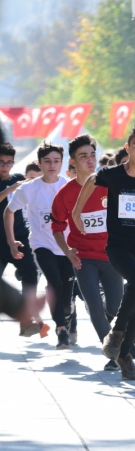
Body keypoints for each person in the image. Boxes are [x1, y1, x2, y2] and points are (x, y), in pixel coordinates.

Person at [73, 124, 135, 381]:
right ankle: (115, 332)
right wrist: (76, 211)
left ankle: (124, 356)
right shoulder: (114, 174)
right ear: (127, 148)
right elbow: (91, 180)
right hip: (119, 246)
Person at [50, 134, 124, 361]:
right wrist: (67, 251)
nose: (90, 160)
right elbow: (57, 226)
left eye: (92, 155)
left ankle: (105, 320)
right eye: (83, 156)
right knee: (94, 305)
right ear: (72, 161)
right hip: (83, 257)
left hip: (111, 255)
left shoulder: (110, 186)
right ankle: (112, 353)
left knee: (113, 305)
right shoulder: (65, 194)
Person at [5, 141, 72, 349]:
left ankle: (68, 316)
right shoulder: (29, 188)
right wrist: (11, 241)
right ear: (39, 163)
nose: (52, 165)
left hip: (67, 247)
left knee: (66, 292)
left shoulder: (69, 186)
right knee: (54, 284)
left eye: (56, 161)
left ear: (62, 163)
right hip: (41, 244)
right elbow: (9, 211)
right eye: (47, 161)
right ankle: (61, 331)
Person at [0, 141, 42, 334]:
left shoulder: (18, 178)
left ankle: (27, 318)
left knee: (31, 273)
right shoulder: (12, 184)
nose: (5, 166)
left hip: (21, 239)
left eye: (9, 162)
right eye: (1, 162)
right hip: (0, 242)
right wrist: (11, 189)